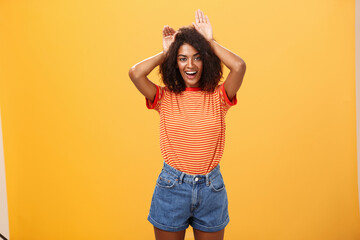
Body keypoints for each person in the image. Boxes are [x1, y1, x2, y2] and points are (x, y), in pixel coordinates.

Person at [128, 9, 246, 240]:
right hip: (172, 188)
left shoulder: (219, 96)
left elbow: (239, 66)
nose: (189, 64)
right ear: (175, 62)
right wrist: (166, 52)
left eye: (197, 57)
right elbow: (135, 73)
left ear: (206, 59)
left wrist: (209, 42)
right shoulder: (164, 97)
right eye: (182, 58)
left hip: (211, 189)